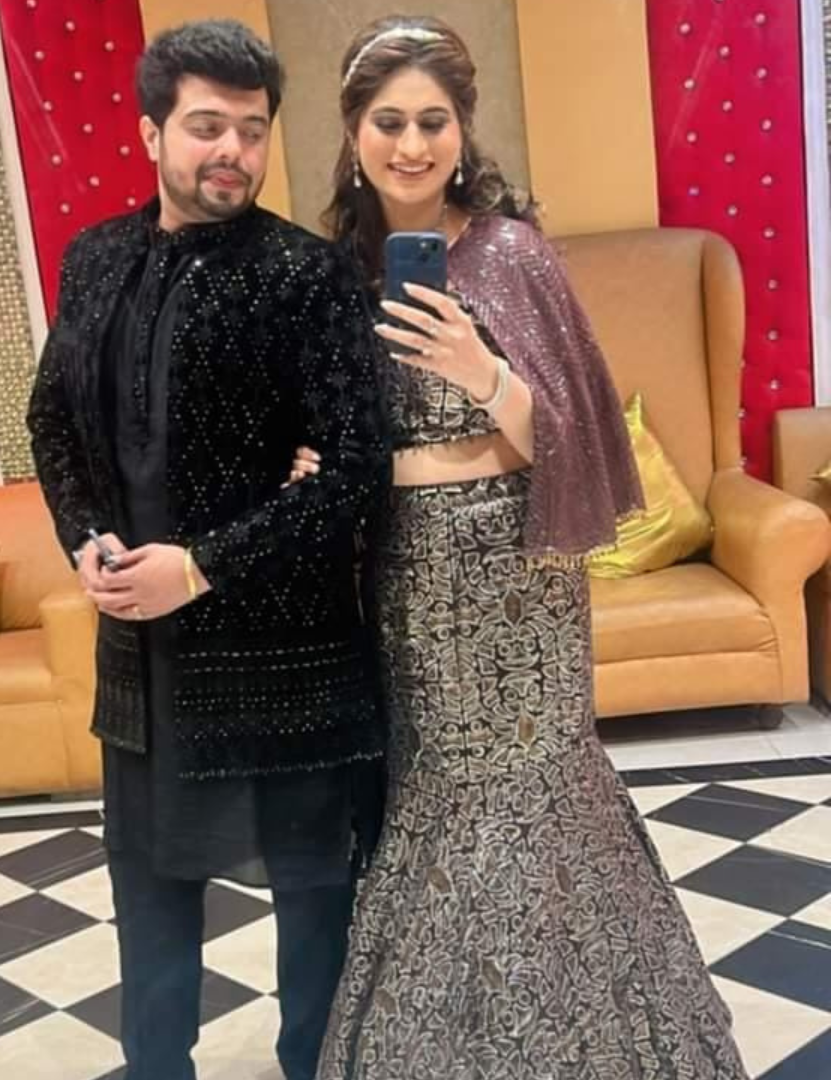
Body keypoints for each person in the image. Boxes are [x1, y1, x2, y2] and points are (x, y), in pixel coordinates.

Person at [293, 16, 751, 1079]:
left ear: (464, 129)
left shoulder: (512, 255)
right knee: (442, 797)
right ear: (353, 132)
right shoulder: (329, 280)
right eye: (389, 121)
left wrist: (482, 372)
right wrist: (314, 462)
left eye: (434, 121)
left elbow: (575, 437)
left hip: (524, 583)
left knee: (539, 791)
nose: (413, 144)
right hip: (408, 586)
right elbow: (324, 442)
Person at [25, 20, 389, 1080]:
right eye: (206, 126)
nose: (232, 149)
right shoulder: (94, 259)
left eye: (251, 128)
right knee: (148, 893)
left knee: (315, 898)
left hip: (291, 655)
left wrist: (198, 565)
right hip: (146, 659)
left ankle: (319, 1068)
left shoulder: (307, 275)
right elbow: (51, 421)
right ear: (151, 133)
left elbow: (357, 467)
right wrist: (84, 536)